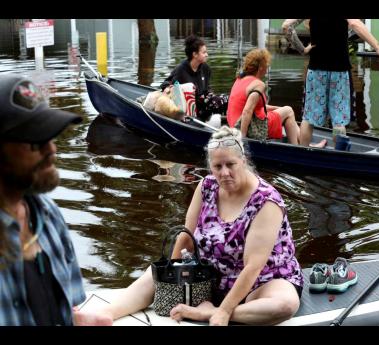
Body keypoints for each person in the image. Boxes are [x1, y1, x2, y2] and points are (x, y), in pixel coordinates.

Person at [74, 126, 303, 326]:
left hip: (261, 281)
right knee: (154, 273)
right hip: (209, 276)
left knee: (285, 305)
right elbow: (186, 235)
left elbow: (253, 266)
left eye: (231, 164)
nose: (224, 173)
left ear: (243, 161)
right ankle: (105, 314)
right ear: (210, 166)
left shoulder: (266, 201)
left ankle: (211, 313)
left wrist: (222, 312)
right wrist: (171, 278)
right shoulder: (206, 186)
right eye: (217, 166)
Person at [0, 74, 86, 325]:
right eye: (35, 141)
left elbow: (68, 311)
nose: (52, 150)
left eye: (50, 135)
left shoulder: (48, 215)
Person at [282, 18, 379, 147]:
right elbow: (355, 24)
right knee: (338, 120)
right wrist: (377, 47)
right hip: (339, 71)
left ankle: (303, 153)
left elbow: (286, 26)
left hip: (316, 70)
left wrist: (301, 49)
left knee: (309, 118)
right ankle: (338, 155)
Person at [227, 48, 318, 146]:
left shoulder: (240, 79)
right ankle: (299, 149)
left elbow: (256, 108)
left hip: (234, 124)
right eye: (267, 65)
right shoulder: (258, 84)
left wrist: (278, 109)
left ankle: (302, 144)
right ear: (261, 67)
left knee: (287, 112)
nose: (267, 68)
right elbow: (247, 111)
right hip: (248, 128)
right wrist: (242, 139)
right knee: (289, 110)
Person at [160, 35, 227, 122]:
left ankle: (221, 121)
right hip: (189, 108)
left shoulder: (205, 68)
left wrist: (212, 95)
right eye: (204, 52)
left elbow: (207, 89)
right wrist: (168, 88)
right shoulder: (181, 69)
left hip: (203, 103)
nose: (207, 55)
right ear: (194, 54)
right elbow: (165, 84)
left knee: (224, 99)